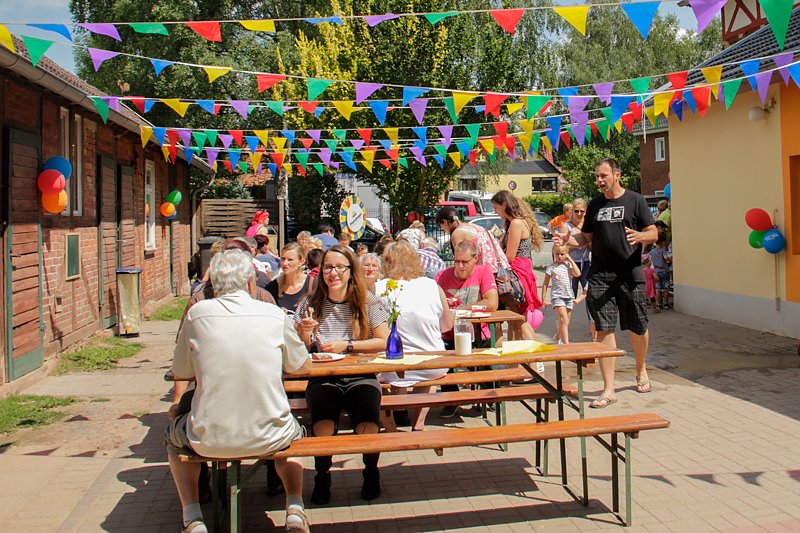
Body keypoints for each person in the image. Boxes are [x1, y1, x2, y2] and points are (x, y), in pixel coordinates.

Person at [165, 249, 311, 533]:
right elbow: (301, 366)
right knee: (296, 435)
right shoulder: (273, 314)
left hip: (208, 436)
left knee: (172, 437)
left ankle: (192, 517)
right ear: (250, 283)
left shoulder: (197, 314)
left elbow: (181, 370)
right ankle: (295, 507)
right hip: (271, 433)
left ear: (214, 284)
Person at [554, 158, 657, 408]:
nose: (599, 180)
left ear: (617, 175)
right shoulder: (595, 205)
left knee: (638, 327)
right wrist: (568, 240)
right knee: (603, 329)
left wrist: (641, 236)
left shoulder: (635, 200)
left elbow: (653, 232)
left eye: (604, 175)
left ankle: (641, 369)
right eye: (597, 176)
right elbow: (585, 238)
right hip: (600, 275)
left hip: (630, 274)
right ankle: (608, 388)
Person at [294, 245, 390, 505]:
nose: (333, 273)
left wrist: (348, 346)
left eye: (339, 267)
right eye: (328, 267)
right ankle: (322, 475)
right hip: (323, 375)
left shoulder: (368, 302)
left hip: (360, 374)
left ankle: (371, 472)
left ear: (350, 270)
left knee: (367, 423)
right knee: (323, 424)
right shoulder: (309, 303)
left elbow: (384, 341)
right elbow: (298, 346)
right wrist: (304, 333)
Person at [375, 241, 453, 431]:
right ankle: (418, 422)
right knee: (429, 372)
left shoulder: (379, 288)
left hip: (391, 364)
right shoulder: (432, 285)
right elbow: (447, 325)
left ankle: (391, 428)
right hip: (433, 363)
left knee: (379, 377)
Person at [435, 241, 499, 418]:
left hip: (477, 332)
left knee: (486, 359)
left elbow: (492, 302)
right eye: (457, 261)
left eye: (464, 262)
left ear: (475, 259)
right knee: (442, 356)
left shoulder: (483, 271)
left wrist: (462, 309)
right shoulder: (442, 277)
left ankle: (488, 396)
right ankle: (451, 399)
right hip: (449, 334)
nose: (460, 266)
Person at [490, 190, 544, 339]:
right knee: (517, 319)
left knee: (518, 320)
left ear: (504, 205)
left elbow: (509, 257)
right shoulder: (516, 222)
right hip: (522, 269)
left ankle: (534, 352)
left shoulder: (516, 223)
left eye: (496, 207)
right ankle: (523, 352)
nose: (495, 211)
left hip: (517, 271)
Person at [435, 206, 509, 274]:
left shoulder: (457, 233)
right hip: (502, 268)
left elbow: (461, 261)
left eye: (440, 225)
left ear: (444, 222)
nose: (442, 229)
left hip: (486, 273)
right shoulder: (474, 226)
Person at [541, 245, 581, 344]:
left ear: (566, 254)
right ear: (553, 254)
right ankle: (567, 344)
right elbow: (545, 284)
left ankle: (557, 336)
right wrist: (543, 299)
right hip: (557, 296)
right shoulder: (551, 267)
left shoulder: (568, 266)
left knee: (565, 321)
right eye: (557, 254)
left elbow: (577, 274)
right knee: (564, 319)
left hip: (569, 296)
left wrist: (570, 260)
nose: (559, 256)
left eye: (562, 254)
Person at [266, 243, 311, 314]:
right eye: (283, 259)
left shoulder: (312, 284)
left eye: (290, 260)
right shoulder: (272, 287)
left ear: (301, 261)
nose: (285, 263)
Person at [648, 236, 672, 310]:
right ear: (662, 242)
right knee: (666, 288)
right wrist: (670, 259)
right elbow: (666, 258)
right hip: (664, 272)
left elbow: (648, 260)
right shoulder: (662, 250)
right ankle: (666, 304)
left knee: (658, 289)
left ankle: (659, 304)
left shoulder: (651, 252)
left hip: (656, 272)